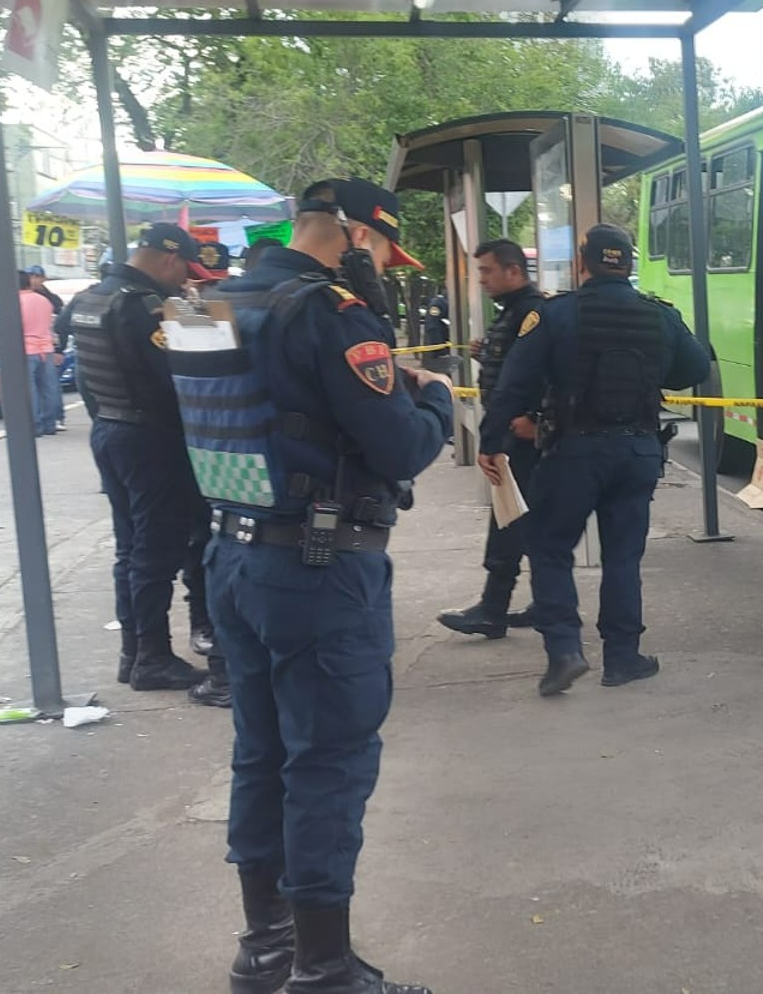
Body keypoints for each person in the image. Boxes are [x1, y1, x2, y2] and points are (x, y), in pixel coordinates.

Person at [172, 178, 447, 994]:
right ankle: (324, 970)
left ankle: (265, 949)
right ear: (355, 236)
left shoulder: (200, 307)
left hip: (231, 559)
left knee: (260, 755)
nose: (381, 270)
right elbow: (397, 448)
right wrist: (426, 401)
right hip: (317, 572)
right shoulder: (330, 314)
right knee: (327, 763)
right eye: (381, 253)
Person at [479, 224, 709, 694]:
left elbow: (514, 383)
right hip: (639, 450)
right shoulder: (659, 315)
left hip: (574, 451)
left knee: (549, 548)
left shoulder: (555, 314)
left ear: (583, 264)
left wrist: (491, 440)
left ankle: (564, 650)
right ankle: (623, 658)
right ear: (627, 264)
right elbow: (695, 369)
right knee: (624, 556)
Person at [64, 225, 213, 691]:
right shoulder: (144, 307)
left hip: (111, 430)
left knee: (129, 548)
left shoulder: (91, 298)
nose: (185, 280)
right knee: (156, 551)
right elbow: (191, 370)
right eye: (184, 271)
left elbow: (89, 378)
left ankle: (133, 652)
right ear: (169, 261)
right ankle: (152, 657)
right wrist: (198, 315)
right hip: (152, 441)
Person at [438, 239, 548, 639]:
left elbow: (538, 376)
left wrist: (531, 422)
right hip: (515, 435)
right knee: (527, 524)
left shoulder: (532, 313)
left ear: (513, 271)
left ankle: (493, 608)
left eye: (486, 270)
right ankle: (545, 605)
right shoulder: (516, 313)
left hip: (521, 440)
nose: (480, 279)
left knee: (508, 522)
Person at [179, 239, 235, 709]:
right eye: (201, 283)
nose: (207, 291)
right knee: (206, 556)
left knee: (210, 554)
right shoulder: (186, 320)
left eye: (214, 283)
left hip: (217, 456)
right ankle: (219, 664)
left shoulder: (203, 320)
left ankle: (222, 669)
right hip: (208, 458)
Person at [28, 265, 70, 433]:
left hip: (47, 347)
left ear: (43, 278)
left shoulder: (53, 300)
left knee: (50, 386)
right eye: (30, 276)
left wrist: (60, 349)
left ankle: (54, 418)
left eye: (36, 276)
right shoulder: (44, 299)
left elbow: (59, 327)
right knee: (46, 386)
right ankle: (47, 421)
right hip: (42, 347)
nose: (33, 280)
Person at [18, 271, 60, 437]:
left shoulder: (15, 302)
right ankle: (50, 424)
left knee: (31, 389)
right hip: (46, 348)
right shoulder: (44, 301)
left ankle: (35, 426)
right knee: (48, 388)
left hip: (27, 349)